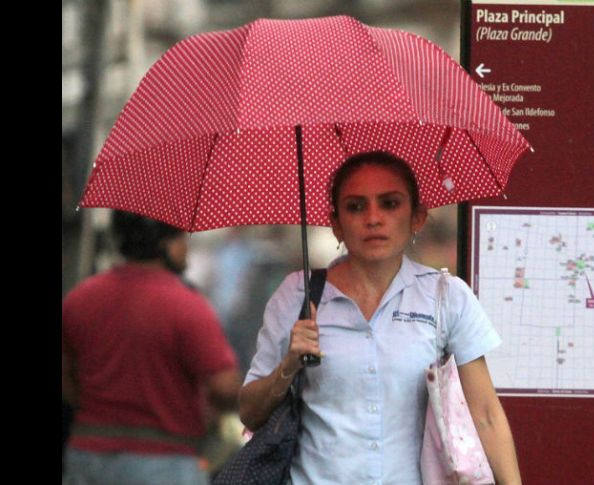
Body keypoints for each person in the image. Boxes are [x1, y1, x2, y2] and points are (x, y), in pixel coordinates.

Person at [239, 151, 523, 484]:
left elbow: (486, 415)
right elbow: (250, 413)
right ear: (336, 224)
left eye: (389, 204)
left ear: (417, 218)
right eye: (355, 206)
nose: (373, 218)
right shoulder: (296, 296)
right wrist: (288, 366)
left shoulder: (447, 297)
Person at [62, 211, 242, 485]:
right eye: (182, 237)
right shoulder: (187, 306)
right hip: (165, 462)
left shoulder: (79, 299)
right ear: (164, 244)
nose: (187, 249)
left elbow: (67, 382)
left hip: (88, 455)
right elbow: (225, 388)